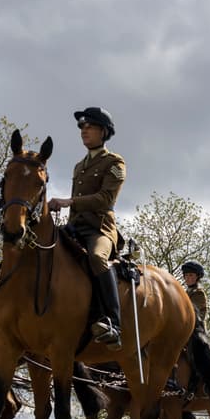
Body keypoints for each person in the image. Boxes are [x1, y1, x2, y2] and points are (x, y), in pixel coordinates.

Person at [47, 106, 126, 349]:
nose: (84, 130)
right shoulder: (78, 166)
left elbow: (105, 199)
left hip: (99, 229)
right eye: (82, 126)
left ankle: (113, 322)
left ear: (104, 131)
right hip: (74, 228)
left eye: (89, 126)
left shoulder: (114, 162)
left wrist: (68, 201)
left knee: (97, 258)